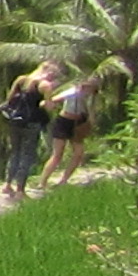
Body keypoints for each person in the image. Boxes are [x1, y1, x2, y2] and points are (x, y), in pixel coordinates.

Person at [0, 62, 52, 202]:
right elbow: (49, 107)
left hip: (15, 120)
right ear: (49, 72)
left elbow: (10, 99)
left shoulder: (21, 80)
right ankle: (20, 190)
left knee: (15, 151)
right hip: (31, 122)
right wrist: (46, 103)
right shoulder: (45, 85)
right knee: (27, 155)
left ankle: (7, 184)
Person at [41, 59, 99, 189]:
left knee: (78, 153)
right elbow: (54, 100)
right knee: (57, 154)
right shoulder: (73, 92)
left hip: (78, 123)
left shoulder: (92, 96)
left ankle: (64, 180)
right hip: (64, 121)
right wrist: (49, 103)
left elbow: (92, 111)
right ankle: (43, 182)